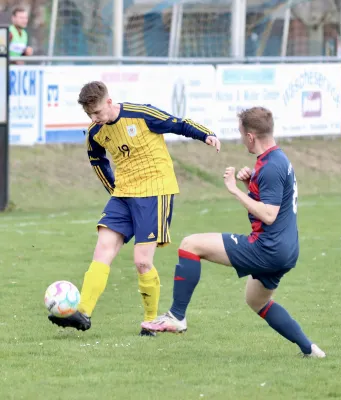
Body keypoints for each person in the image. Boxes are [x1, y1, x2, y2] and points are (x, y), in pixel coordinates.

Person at [141, 106, 326, 358]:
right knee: (256, 301)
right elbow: (274, 202)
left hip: (268, 248)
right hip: (287, 249)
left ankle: (177, 316)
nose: (241, 139)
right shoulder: (277, 160)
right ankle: (311, 350)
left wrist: (235, 190)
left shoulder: (271, 166)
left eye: (241, 134)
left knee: (190, 245)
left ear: (250, 136)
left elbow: (269, 215)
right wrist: (250, 185)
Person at [48, 81, 221, 336]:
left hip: (155, 191)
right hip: (123, 194)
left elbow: (177, 123)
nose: (94, 118)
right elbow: (97, 160)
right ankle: (82, 312)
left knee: (142, 262)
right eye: (89, 115)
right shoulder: (95, 132)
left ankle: (150, 322)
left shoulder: (141, 114)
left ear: (109, 102)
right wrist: (114, 189)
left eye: (97, 113)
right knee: (103, 247)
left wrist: (205, 134)